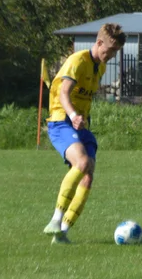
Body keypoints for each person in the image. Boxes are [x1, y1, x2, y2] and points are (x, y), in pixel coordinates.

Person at [43, 23, 126, 244]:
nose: (111, 55)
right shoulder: (77, 61)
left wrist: (82, 119)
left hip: (81, 127)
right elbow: (63, 94)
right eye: (110, 50)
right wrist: (73, 115)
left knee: (87, 176)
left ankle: (62, 233)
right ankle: (55, 219)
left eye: (116, 52)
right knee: (81, 163)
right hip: (62, 121)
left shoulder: (101, 67)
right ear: (99, 43)